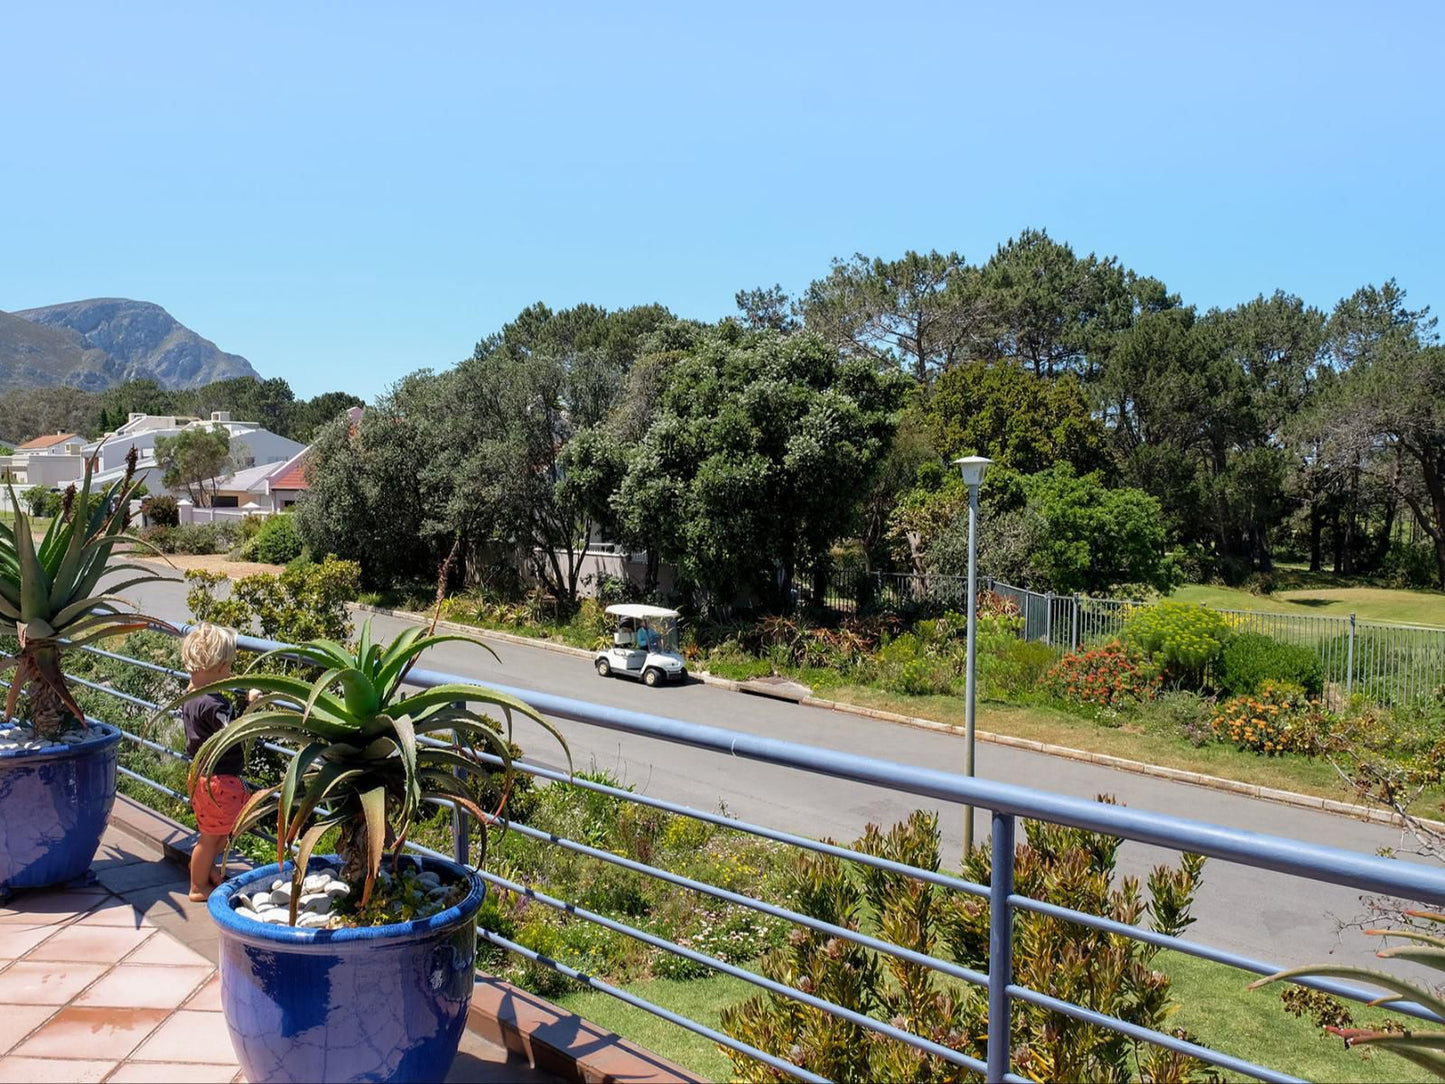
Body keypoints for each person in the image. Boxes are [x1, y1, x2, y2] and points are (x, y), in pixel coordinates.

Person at [181, 624, 248, 901]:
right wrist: (248, 705)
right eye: (229, 666)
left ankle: (204, 870)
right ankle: (197, 886)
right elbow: (233, 731)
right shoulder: (215, 704)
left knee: (216, 832)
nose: (230, 672)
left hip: (203, 778)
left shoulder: (191, 696)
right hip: (219, 781)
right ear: (220, 668)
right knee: (212, 838)